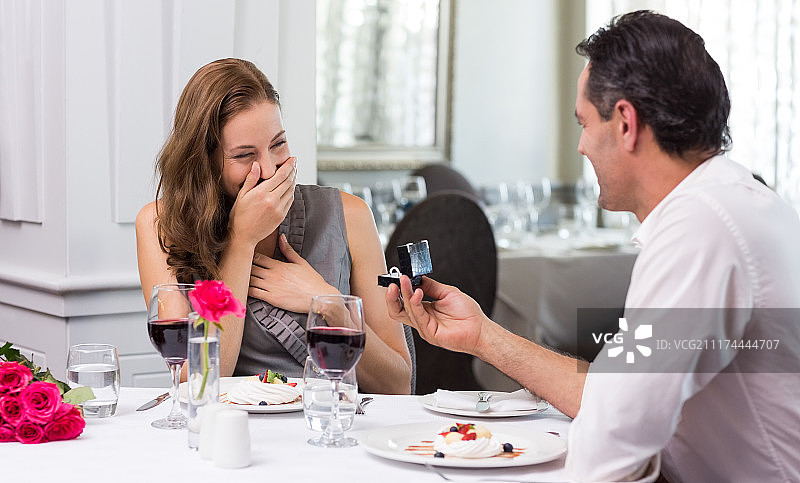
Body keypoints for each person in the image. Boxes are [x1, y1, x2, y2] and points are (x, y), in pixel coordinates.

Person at [385, 11, 800, 482]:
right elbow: (613, 395)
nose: (581, 146)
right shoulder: (731, 202)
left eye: (584, 123)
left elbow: (609, 443)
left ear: (625, 123)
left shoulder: (701, 228)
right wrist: (482, 335)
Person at [137, 58, 412, 394]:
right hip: (232, 423)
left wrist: (328, 303)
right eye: (244, 155)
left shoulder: (350, 214)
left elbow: (398, 384)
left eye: (278, 144)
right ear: (204, 163)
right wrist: (241, 241)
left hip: (329, 418)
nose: (269, 170)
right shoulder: (159, 224)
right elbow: (198, 382)